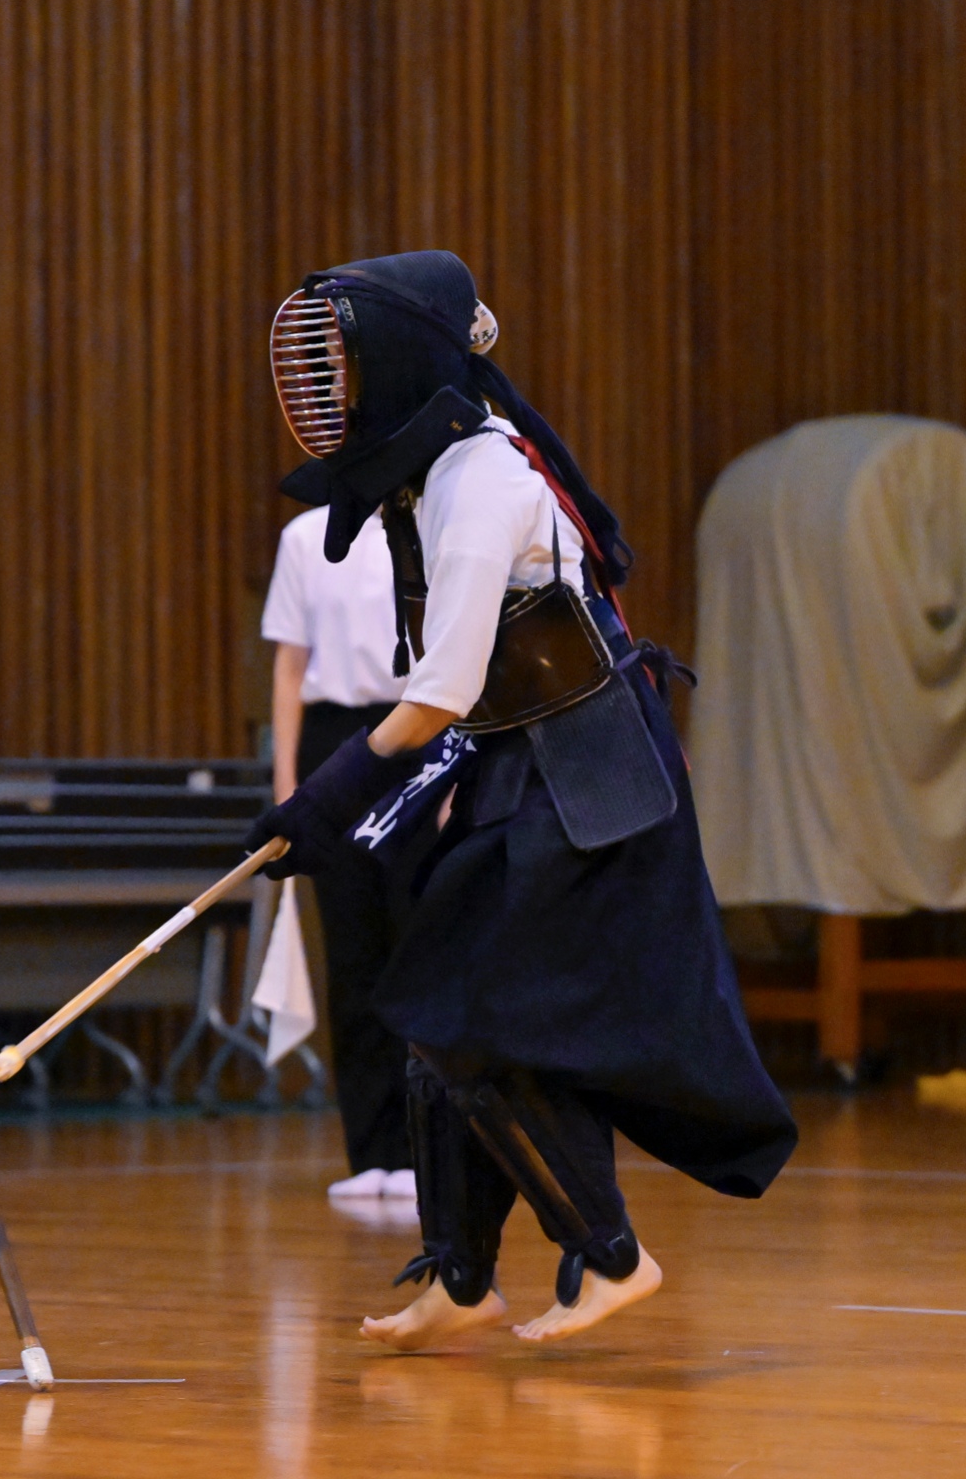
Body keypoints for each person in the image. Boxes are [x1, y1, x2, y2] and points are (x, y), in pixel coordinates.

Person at [250, 251, 796, 1350]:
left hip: (591, 780)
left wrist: (322, 800)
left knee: (474, 1020)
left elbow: (440, 690)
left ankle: (609, 1254)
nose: (334, 389)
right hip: (521, 766)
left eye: (347, 363)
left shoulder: (481, 483)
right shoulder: (434, 475)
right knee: (432, 1013)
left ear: (399, 362)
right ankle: (460, 1278)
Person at [263, 503, 418, 1202]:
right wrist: (288, 790)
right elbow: (289, 666)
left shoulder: (429, 526)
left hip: (417, 732)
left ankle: (423, 1151)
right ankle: (370, 1153)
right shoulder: (303, 537)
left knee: (416, 939)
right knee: (353, 953)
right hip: (334, 747)